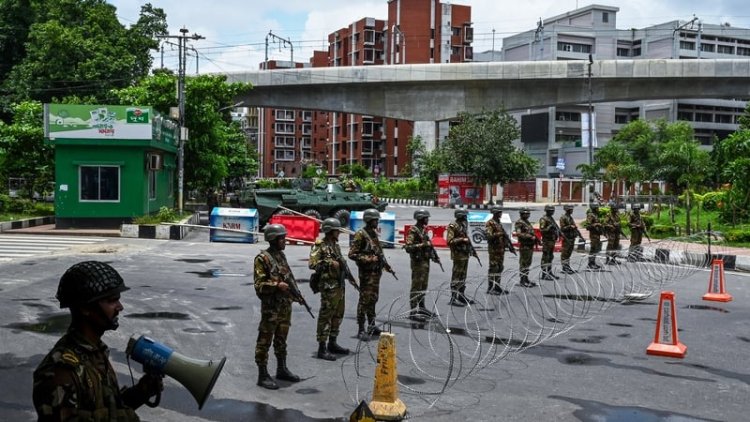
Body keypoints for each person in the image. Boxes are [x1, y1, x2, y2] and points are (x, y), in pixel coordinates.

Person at [33, 261, 163, 421]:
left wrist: (141, 392)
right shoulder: (60, 371)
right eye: (111, 301)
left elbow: (107, 408)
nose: (120, 307)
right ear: (85, 308)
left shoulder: (95, 352)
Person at [254, 224, 302, 390]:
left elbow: (289, 277)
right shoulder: (262, 259)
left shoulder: (281, 256)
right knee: (265, 340)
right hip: (271, 308)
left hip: (284, 306)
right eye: (282, 238)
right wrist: (276, 285)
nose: (285, 241)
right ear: (273, 239)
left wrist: (297, 295)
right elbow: (259, 285)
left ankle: (282, 369)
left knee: (281, 339)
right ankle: (262, 374)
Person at [309, 218, 352, 361]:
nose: (338, 233)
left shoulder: (335, 245)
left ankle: (332, 343)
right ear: (329, 230)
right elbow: (312, 264)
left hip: (339, 286)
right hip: (328, 287)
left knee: (338, 314)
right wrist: (328, 263)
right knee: (326, 316)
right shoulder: (320, 245)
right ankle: (322, 348)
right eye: (336, 230)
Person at [349, 208, 393, 339]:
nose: (377, 222)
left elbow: (379, 253)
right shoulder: (361, 234)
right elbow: (352, 254)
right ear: (369, 220)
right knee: (364, 300)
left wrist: (386, 265)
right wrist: (369, 259)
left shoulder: (373, 234)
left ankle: (372, 325)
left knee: (373, 299)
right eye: (375, 220)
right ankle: (361, 328)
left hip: (375, 273)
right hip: (366, 274)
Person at [404, 209, 435, 320]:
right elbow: (408, 247)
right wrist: (422, 245)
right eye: (426, 218)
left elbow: (428, 245)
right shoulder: (414, 230)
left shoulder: (423, 230)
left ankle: (422, 308)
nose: (428, 220)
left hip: (425, 262)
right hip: (418, 263)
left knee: (423, 286)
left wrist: (433, 255)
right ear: (421, 218)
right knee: (416, 287)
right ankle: (412, 311)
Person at [447, 209, 475, 306]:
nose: (466, 217)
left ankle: (461, 296)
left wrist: (471, 250)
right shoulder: (453, 225)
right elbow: (450, 241)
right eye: (464, 215)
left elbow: (467, 237)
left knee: (463, 276)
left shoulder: (464, 224)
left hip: (465, 254)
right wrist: (462, 239)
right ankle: (453, 298)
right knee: (456, 277)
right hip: (458, 255)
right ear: (460, 216)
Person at [485, 206, 508, 294]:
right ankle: (490, 287)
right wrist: (499, 233)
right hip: (494, 249)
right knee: (493, 268)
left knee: (500, 268)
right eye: (499, 212)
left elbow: (504, 236)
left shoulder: (498, 223)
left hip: (500, 249)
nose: (501, 214)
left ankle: (497, 286)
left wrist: (508, 244)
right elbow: (489, 236)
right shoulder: (490, 223)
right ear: (495, 213)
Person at [514, 207, 537, 287]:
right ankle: (522, 280)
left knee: (528, 263)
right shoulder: (519, 223)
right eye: (526, 214)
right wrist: (529, 237)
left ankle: (526, 278)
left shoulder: (526, 222)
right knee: (523, 263)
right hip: (524, 245)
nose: (528, 215)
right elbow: (519, 234)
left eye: (528, 214)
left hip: (529, 245)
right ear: (522, 214)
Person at [538, 205, 561, 281]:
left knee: (550, 257)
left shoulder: (551, 218)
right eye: (550, 210)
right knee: (546, 257)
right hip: (547, 241)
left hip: (552, 240)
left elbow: (556, 228)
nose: (552, 212)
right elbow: (542, 230)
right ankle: (544, 274)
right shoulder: (544, 219)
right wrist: (549, 227)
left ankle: (549, 272)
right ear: (546, 211)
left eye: (553, 210)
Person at [559, 204, 579, 274]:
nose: (572, 211)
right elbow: (562, 228)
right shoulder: (563, 217)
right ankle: (564, 267)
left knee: (569, 253)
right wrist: (570, 226)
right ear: (567, 210)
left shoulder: (570, 217)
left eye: (572, 209)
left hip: (571, 237)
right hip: (566, 237)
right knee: (565, 253)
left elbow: (574, 227)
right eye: (571, 209)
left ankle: (567, 266)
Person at [585, 203, 604, 270]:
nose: (598, 208)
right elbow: (587, 226)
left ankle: (593, 262)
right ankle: (590, 264)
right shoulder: (590, 215)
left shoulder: (595, 215)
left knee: (595, 249)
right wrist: (596, 224)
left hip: (597, 234)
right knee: (593, 249)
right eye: (597, 207)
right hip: (593, 235)